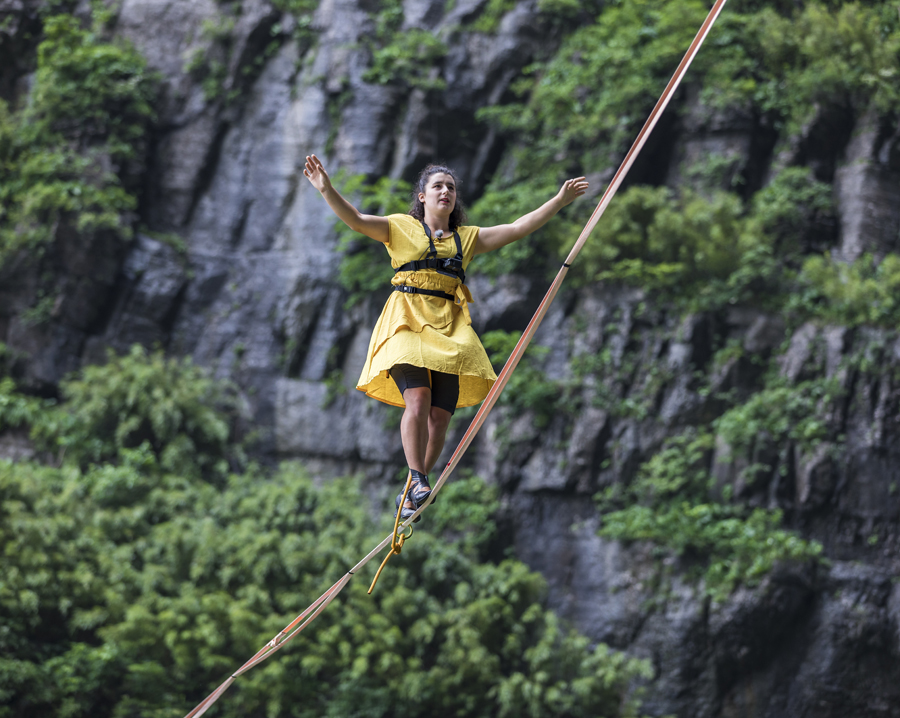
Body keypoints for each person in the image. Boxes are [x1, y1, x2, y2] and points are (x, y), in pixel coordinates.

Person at [303, 155, 588, 521]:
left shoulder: (466, 239)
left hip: (449, 330)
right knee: (418, 399)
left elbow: (517, 228)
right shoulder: (401, 228)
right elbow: (357, 221)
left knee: (440, 417)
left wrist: (559, 201)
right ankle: (418, 478)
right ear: (422, 196)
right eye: (437, 186)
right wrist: (327, 189)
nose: (445, 192)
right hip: (407, 322)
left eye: (451, 188)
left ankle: (412, 489)